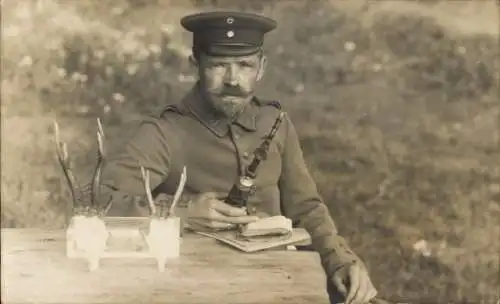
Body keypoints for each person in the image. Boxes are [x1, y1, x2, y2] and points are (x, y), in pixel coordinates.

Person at [85, 11, 378, 304]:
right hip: (198, 288)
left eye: (245, 65)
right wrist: (181, 213)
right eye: (219, 65)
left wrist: (340, 260)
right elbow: (101, 202)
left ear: (261, 68)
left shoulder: (274, 123)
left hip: (285, 280)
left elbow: (307, 208)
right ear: (195, 65)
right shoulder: (164, 131)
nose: (233, 80)